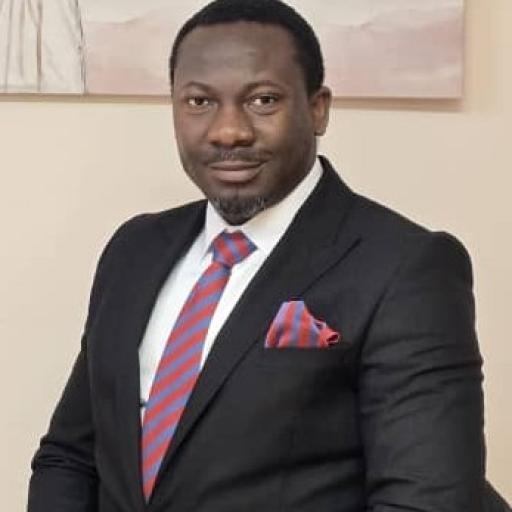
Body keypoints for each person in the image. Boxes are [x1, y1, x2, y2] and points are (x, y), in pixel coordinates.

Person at [27, 0, 507, 511]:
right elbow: (70, 457)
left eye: (262, 100)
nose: (228, 131)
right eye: (199, 101)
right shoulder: (134, 250)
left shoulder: (406, 268)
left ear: (318, 109)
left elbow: (425, 503)